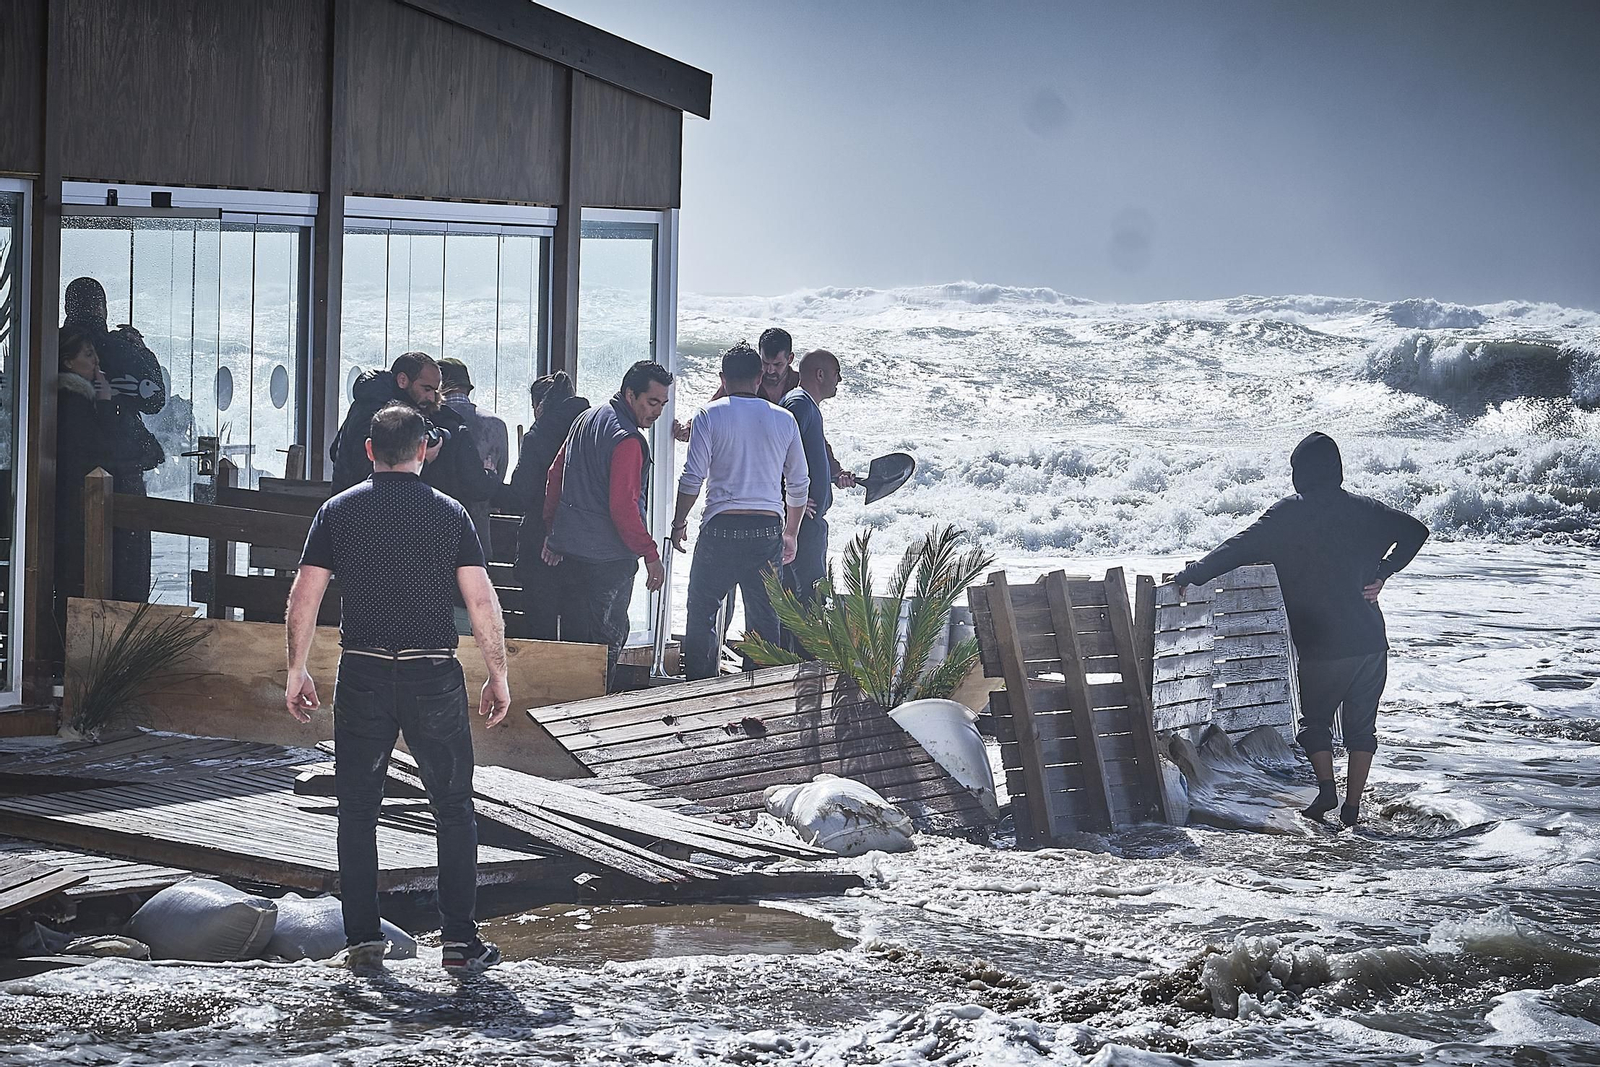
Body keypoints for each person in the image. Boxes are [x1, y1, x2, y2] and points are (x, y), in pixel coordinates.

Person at [285, 401, 508, 975]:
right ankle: (459, 942)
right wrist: (497, 674)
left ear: (368, 452)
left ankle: (363, 940)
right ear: (423, 452)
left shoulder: (338, 511)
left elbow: (304, 596)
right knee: (453, 807)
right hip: (431, 669)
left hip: (362, 669)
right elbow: (481, 601)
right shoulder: (450, 513)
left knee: (357, 811)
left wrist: (297, 668)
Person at [1172, 432, 1429, 828]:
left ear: (1300, 474)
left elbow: (1238, 547)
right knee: (1363, 729)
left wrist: (1193, 573)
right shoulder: (1366, 510)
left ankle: (1326, 788)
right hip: (1369, 641)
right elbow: (1416, 531)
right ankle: (1353, 808)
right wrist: (1384, 573)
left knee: (1316, 722)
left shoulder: (1288, 515)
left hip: (1321, 644)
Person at [672, 342, 809, 681]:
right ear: (760, 375)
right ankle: (758, 697)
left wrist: (678, 523)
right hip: (766, 530)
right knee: (765, 619)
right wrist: (790, 532)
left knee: (702, 612)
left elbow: (692, 477)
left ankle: (698, 690)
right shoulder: (784, 419)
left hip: (720, 528)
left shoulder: (709, 415)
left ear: (722, 377)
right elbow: (799, 483)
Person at [541, 361, 672, 687]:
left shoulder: (585, 419)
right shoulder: (627, 440)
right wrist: (650, 553)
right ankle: (592, 721)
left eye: (663, 404)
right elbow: (623, 507)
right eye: (652, 402)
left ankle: (567, 717)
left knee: (575, 647)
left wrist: (553, 533)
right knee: (605, 647)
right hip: (609, 562)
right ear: (630, 394)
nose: (657, 412)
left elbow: (555, 476)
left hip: (572, 557)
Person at [63, 276, 166, 603]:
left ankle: (61, 647)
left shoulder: (49, 346)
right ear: (103, 308)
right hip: (123, 473)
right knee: (129, 580)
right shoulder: (122, 348)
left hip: (62, 475)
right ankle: (126, 650)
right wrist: (140, 349)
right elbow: (154, 400)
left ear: (68, 307)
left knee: (69, 579)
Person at [330, 352, 498, 519]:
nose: (432, 397)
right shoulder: (381, 413)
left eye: (435, 391)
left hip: (353, 509)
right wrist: (422, 461)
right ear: (403, 380)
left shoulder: (366, 404)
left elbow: (334, 451)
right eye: (426, 389)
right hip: (367, 513)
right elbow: (368, 470)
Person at [508, 372, 589, 639]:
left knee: (540, 623)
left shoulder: (539, 434)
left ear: (539, 405)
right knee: (577, 624)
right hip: (583, 544)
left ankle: (541, 681)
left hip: (540, 540)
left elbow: (522, 491)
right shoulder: (590, 427)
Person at [53, 325, 119, 630]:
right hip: (75, 500)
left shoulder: (66, 398)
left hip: (67, 498)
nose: (96, 362)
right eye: (88, 355)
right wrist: (105, 403)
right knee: (74, 573)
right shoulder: (75, 401)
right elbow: (101, 449)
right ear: (68, 362)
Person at [781, 349, 858, 608]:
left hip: (805, 521)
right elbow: (777, 450)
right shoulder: (799, 404)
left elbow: (806, 457)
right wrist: (787, 499)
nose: (840, 380)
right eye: (837, 373)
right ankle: (803, 651)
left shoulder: (805, 404)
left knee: (803, 597)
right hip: (801, 524)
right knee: (808, 599)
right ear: (821, 374)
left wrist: (835, 475)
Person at [438, 358, 508, 558]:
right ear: (467, 389)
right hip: (478, 533)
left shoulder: (428, 421)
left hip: (435, 533)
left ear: (439, 387)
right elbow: (498, 478)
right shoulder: (496, 424)